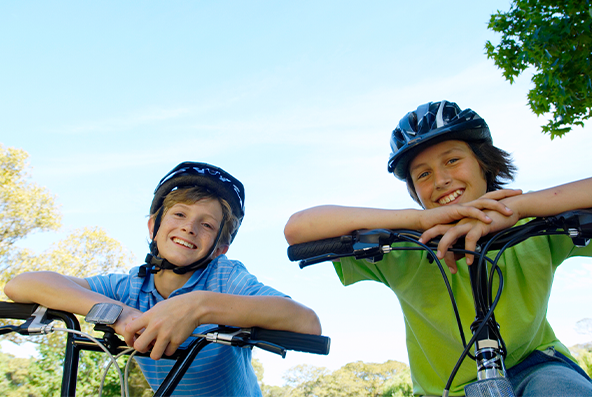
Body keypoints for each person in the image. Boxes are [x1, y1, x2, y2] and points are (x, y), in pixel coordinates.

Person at [284, 101, 592, 397]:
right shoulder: (405, 249)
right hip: (445, 389)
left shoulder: (531, 225)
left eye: (452, 160)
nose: (442, 180)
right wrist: (418, 220)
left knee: (557, 388)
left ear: (484, 164)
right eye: (423, 174)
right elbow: (298, 228)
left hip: (538, 367)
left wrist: (517, 207)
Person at [5, 161, 321, 397]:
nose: (189, 227)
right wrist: (118, 312)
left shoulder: (224, 278)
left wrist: (201, 306)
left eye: (207, 225)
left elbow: (306, 322)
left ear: (220, 248)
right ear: (154, 226)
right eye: (179, 214)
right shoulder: (130, 287)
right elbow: (22, 284)